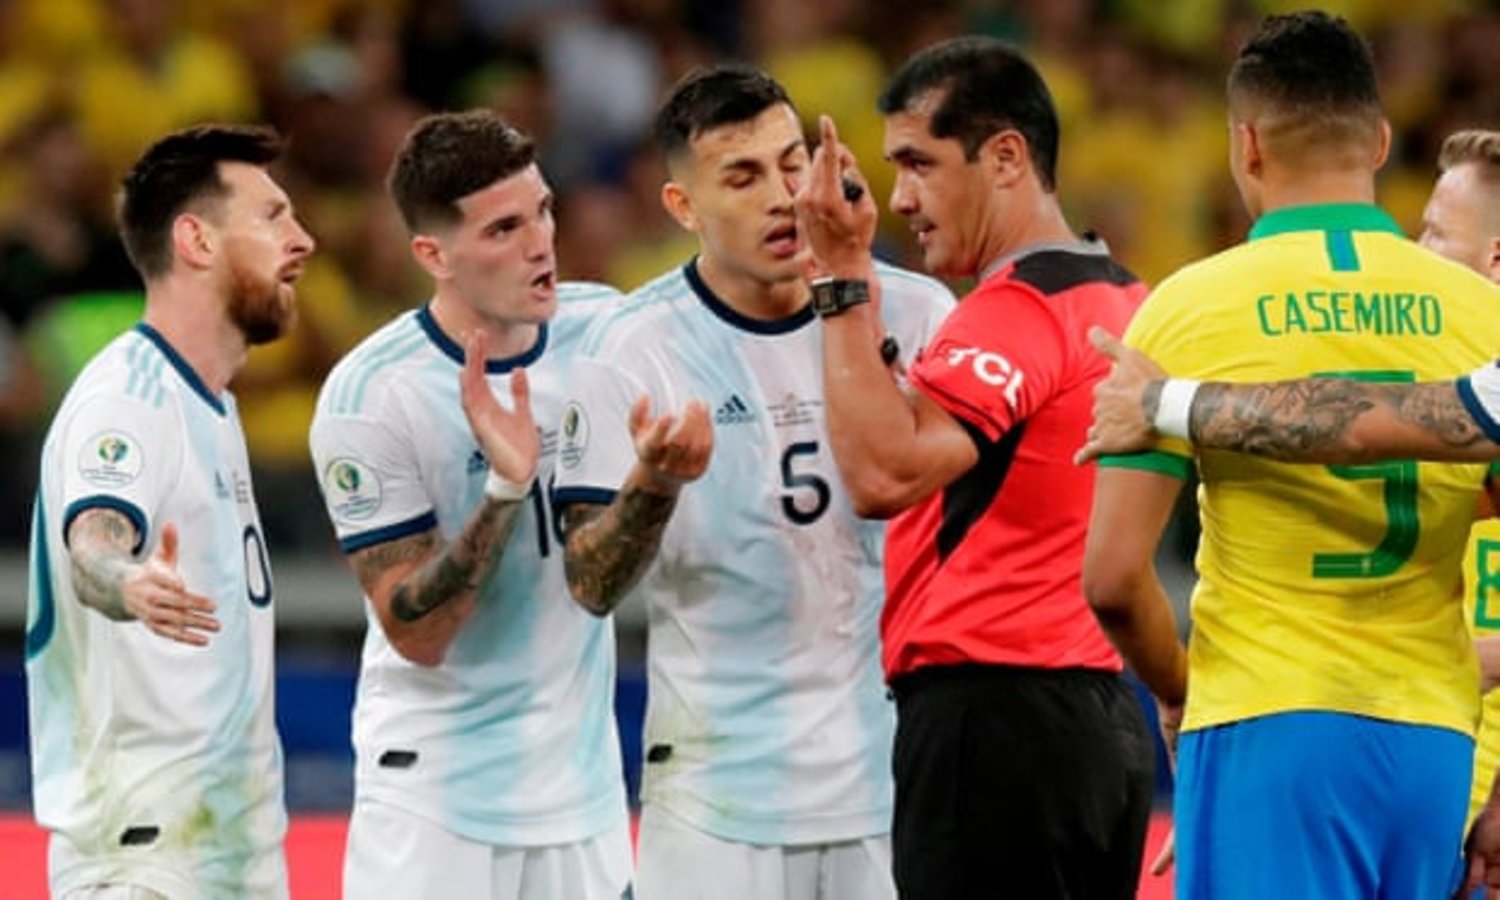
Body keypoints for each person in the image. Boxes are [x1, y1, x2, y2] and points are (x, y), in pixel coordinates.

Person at [1078, 13, 1500, 898]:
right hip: (1433, 739)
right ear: (1380, 141)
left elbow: (1113, 576)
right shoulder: (1482, 315)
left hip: (1266, 717)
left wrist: (1177, 692)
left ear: (1246, 145)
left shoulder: (1189, 311)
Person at [552, 65, 955, 900]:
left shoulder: (918, 316)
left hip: (899, 774)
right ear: (683, 207)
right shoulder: (630, 347)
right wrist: (655, 484)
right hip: (718, 796)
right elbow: (589, 583)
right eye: (742, 177)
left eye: (792, 163)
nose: (783, 197)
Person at [794, 35, 1156, 899]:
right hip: (1100, 720)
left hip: (995, 727)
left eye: (919, 164)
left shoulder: (1020, 309)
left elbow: (885, 475)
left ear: (1004, 158)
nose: (900, 199)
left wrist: (840, 279)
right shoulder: (1127, 296)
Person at [307, 110, 632, 900]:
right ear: (434, 255)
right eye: (504, 229)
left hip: (582, 791)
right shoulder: (373, 393)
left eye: (544, 210)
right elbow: (416, 633)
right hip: (436, 799)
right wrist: (504, 492)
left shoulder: (610, 331)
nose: (541, 243)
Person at [25, 124, 314, 899]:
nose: (303, 240)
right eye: (273, 216)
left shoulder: (208, 404)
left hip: (225, 856)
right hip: (149, 864)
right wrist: (127, 581)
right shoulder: (131, 396)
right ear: (196, 240)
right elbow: (94, 541)